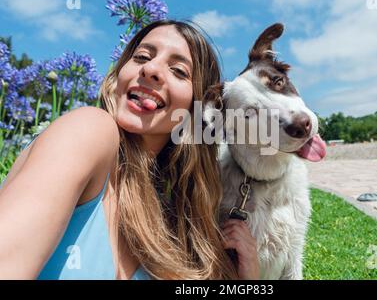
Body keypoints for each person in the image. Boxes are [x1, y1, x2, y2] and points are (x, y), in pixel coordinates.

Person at [0, 20, 259, 280]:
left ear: (199, 111)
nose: (150, 69)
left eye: (179, 71)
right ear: (117, 77)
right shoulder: (89, 129)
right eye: (141, 56)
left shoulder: (172, 229)